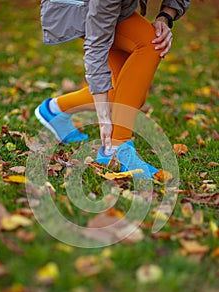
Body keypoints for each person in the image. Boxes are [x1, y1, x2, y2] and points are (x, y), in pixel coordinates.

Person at [35, 0, 190, 178]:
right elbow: (96, 46)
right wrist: (103, 117)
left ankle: (56, 110)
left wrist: (165, 17)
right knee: (151, 43)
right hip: (78, 7)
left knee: (129, 93)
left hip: (113, 9)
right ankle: (117, 149)